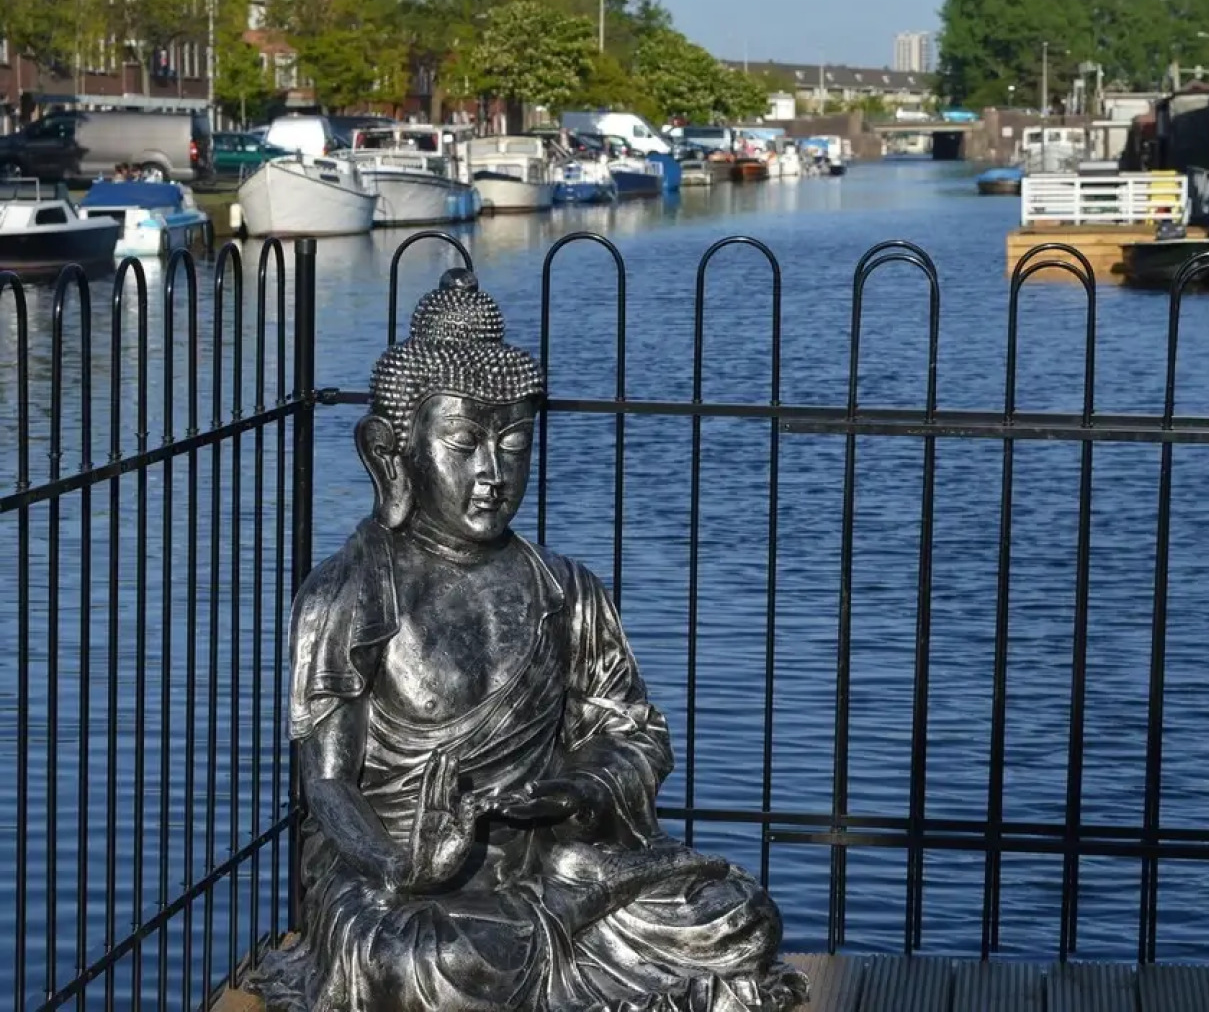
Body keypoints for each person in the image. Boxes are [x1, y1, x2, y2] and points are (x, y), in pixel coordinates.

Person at [244, 271, 807, 1012]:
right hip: (402, 881)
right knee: (420, 961)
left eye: (513, 444)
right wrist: (407, 862)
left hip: (548, 860)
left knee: (734, 914)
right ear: (391, 451)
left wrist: (570, 788)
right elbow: (324, 784)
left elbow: (633, 734)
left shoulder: (560, 589)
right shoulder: (347, 593)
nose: (491, 473)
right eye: (464, 443)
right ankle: (553, 938)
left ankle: (558, 921)